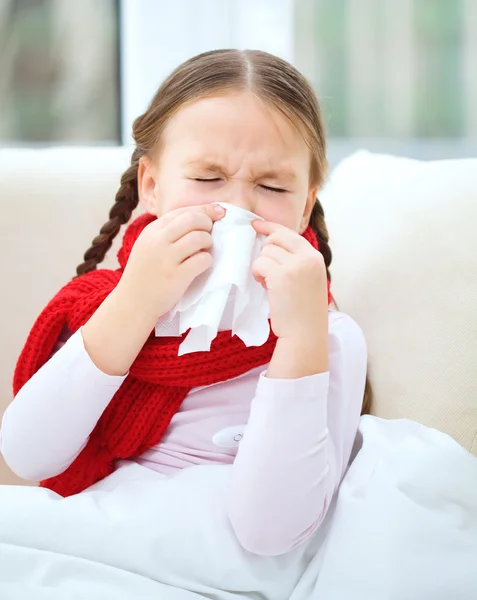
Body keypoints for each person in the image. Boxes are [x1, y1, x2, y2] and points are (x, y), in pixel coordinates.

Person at [0, 49, 369, 557]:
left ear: (305, 203)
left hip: (220, 567)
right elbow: (27, 456)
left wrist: (301, 340)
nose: (236, 208)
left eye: (272, 185)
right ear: (152, 187)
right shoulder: (107, 306)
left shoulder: (326, 338)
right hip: (97, 543)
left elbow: (270, 534)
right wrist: (135, 302)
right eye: (206, 178)